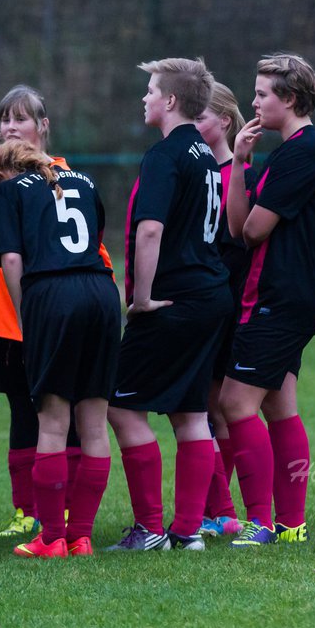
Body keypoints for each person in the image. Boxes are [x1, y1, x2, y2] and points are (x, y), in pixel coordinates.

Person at [106, 57, 231, 553]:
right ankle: (187, 531)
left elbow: (150, 229)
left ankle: (152, 529)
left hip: (172, 299)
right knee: (191, 413)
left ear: (171, 101)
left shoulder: (165, 155)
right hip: (210, 294)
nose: (145, 97)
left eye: (152, 89)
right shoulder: (204, 153)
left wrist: (140, 298)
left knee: (120, 405)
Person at [0, 85, 113, 538]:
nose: (10, 127)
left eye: (21, 118)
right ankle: (70, 529)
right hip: (91, 297)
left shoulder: (12, 189)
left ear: (43, 127)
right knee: (72, 416)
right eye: (5, 119)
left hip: (46, 302)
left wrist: (29, 314)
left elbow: (12, 258)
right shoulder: (82, 181)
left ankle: (55, 531)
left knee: (54, 420)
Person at [220, 53, 315, 549]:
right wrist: (241, 163)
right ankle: (290, 524)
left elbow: (252, 231)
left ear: (289, 99)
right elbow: (237, 226)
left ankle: (262, 522)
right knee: (279, 407)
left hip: (279, 298)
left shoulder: (302, 153)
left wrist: (248, 179)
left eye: (263, 93)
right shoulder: (288, 152)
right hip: (289, 297)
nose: (254, 102)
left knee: (234, 403)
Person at [193, 82, 249, 538]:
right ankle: (219, 506)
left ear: (224, 123)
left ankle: (221, 507)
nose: (192, 125)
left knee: (214, 407)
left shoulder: (234, 177)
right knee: (213, 406)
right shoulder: (197, 173)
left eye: (200, 117)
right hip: (211, 303)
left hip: (225, 305)